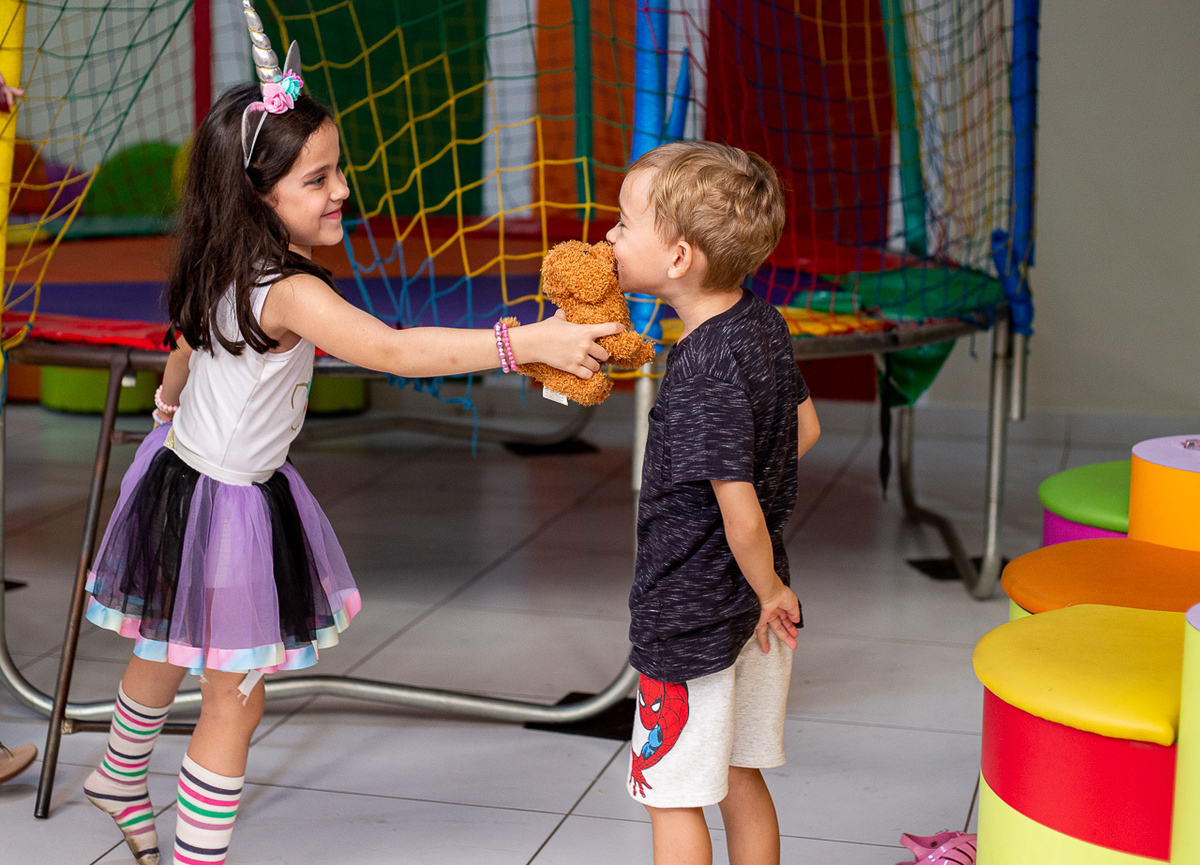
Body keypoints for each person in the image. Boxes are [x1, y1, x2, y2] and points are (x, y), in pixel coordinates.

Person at [79, 21, 623, 865]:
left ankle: (117, 773)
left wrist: (167, 403)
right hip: (222, 497)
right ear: (259, 195)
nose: (341, 190)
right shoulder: (289, 290)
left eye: (338, 169)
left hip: (180, 472)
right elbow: (397, 351)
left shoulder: (221, 255)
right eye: (318, 178)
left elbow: (185, 342)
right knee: (235, 694)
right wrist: (528, 345)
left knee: (166, 636)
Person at [608, 141, 821, 865]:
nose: (609, 236)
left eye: (622, 223)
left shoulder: (698, 365)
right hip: (752, 611)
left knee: (669, 793)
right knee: (738, 773)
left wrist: (769, 587)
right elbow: (808, 427)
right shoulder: (762, 325)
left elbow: (738, 513)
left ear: (677, 260)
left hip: (695, 613)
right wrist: (764, 584)